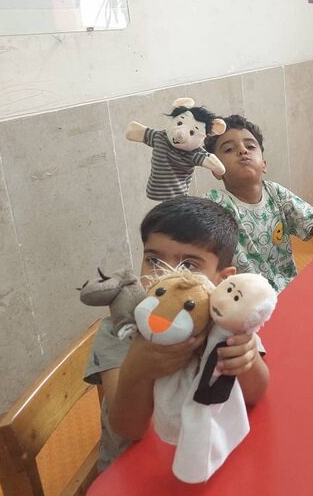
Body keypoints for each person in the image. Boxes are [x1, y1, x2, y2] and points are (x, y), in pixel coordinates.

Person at [83, 196, 267, 471]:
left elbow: (256, 393)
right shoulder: (120, 330)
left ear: (223, 279)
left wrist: (246, 359)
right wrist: (137, 369)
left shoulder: (225, 322)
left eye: (189, 265)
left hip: (207, 454)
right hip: (136, 469)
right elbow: (128, 430)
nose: (164, 275)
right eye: (153, 260)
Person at [205, 115, 313, 292]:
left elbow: (312, 217)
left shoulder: (275, 193)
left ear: (264, 165)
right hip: (244, 297)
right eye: (229, 149)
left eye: (250, 146)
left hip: (287, 287)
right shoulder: (215, 203)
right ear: (216, 169)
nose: (242, 151)